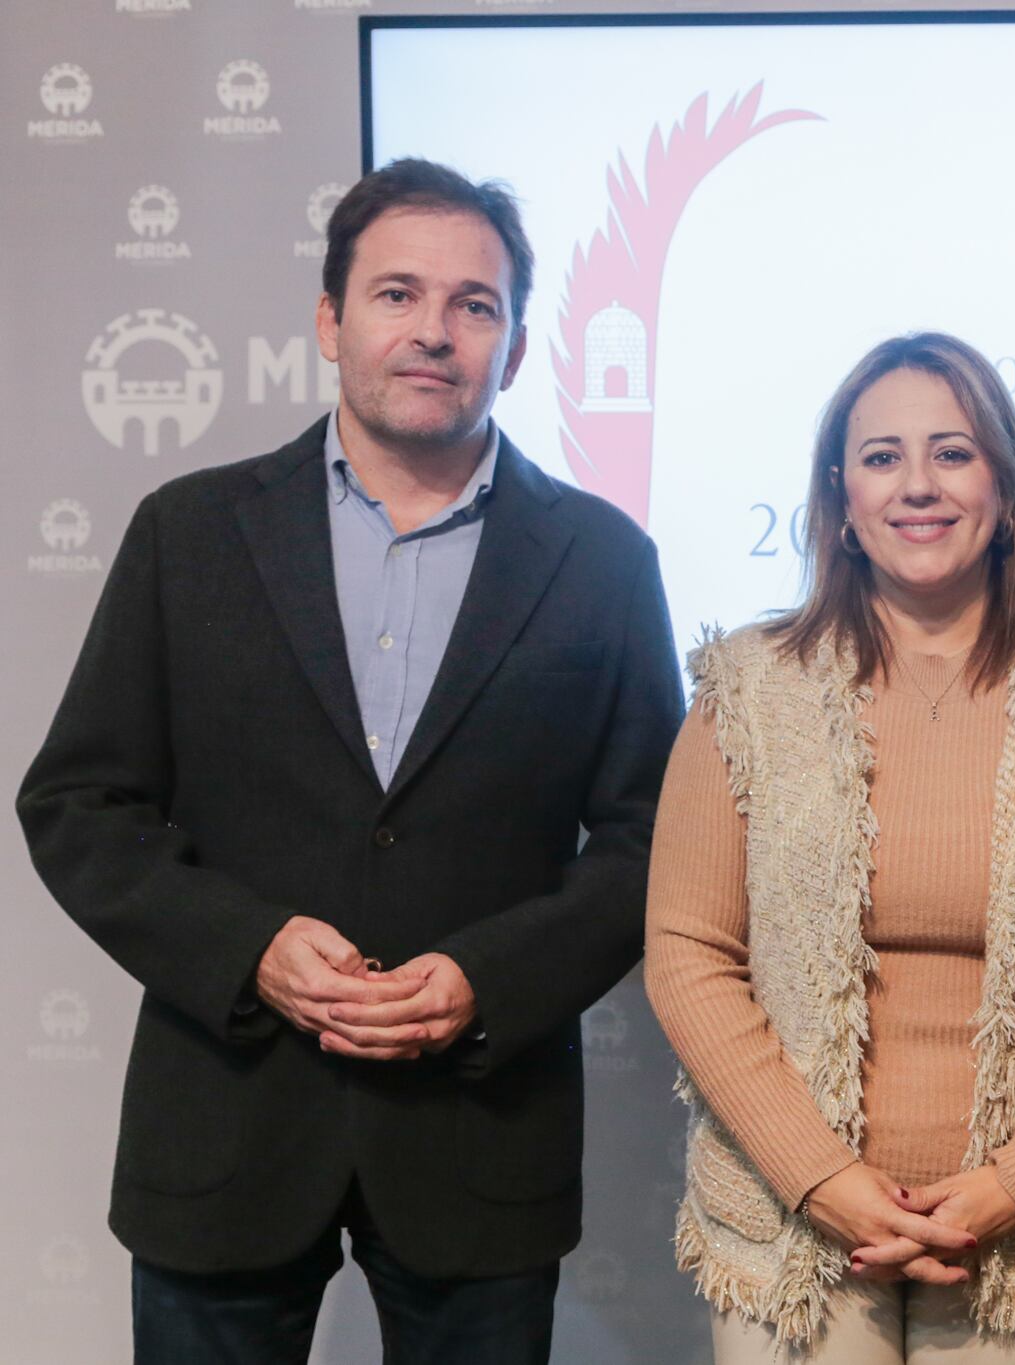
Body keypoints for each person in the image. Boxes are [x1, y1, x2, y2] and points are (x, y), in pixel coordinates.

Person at [18, 158, 683, 1364]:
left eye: (474, 306)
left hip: (479, 1136)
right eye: (395, 294)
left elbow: (653, 842)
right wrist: (249, 949)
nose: (433, 331)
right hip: (225, 1119)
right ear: (330, 321)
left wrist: (488, 978)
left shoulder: (602, 559)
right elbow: (78, 803)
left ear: (518, 348)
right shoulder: (191, 531)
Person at [644, 332, 1015, 1362]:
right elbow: (687, 956)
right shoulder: (744, 689)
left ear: (1002, 486)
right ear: (840, 498)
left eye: (952, 452)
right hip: (790, 1225)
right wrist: (822, 1180)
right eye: (881, 456)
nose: (917, 486)